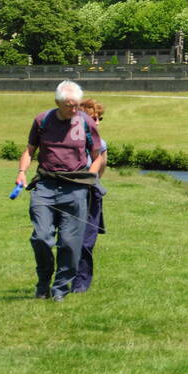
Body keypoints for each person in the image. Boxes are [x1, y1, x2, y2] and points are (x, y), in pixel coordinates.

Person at [15, 81, 105, 301]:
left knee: (69, 243)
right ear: (57, 102)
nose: (74, 110)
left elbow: (98, 155)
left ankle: (60, 291)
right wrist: (22, 172)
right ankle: (43, 282)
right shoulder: (42, 120)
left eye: (76, 105)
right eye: (68, 106)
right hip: (45, 185)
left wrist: (90, 178)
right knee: (41, 237)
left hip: (76, 188)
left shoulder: (85, 122)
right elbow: (29, 150)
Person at [73, 97, 108, 293]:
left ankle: (80, 285)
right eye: (94, 118)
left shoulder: (101, 143)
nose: (97, 122)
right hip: (70, 192)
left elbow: (101, 170)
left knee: (87, 240)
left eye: (100, 118)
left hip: (91, 192)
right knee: (68, 239)